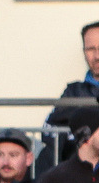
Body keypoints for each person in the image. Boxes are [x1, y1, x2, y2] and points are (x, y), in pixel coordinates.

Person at [39, 21, 99, 173]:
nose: (97, 56)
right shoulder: (73, 92)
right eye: (91, 49)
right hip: (80, 174)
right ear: (84, 52)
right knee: (45, 158)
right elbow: (50, 133)